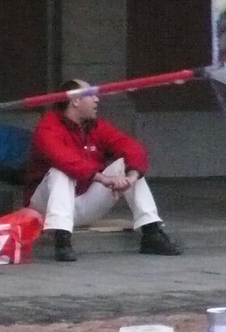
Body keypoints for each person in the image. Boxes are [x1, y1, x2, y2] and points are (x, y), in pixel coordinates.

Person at [25, 79, 183, 262]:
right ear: (75, 100)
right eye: (91, 94)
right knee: (61, 171)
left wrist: (130, 177)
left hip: (85, 205)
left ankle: (151, 232)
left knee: (127, 164)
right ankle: (62, 240)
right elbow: (64, 159)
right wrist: (103, 178)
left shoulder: (96, 126)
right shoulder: (48, 126)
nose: (97, 100)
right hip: (45, 208)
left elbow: (131, 147)